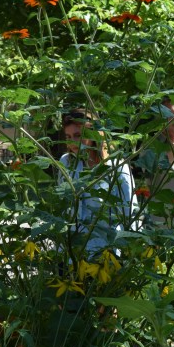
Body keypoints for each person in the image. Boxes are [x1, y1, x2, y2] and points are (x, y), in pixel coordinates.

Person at [58, 109, 136, 256]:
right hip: (72, 250)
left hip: (105, 251)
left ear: (95, 134)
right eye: (68, 136)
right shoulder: (66, 162)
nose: (72, 142)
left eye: (78, 135)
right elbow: (62, 202)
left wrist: (129, 250)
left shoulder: (116, 166)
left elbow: (130, 211)